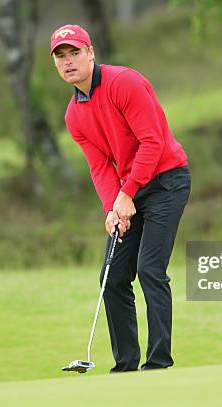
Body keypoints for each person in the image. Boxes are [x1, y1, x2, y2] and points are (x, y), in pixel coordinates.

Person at [51, 24, 191, 372]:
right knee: (112, 277)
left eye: (75, 53)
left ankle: (158, 362)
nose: (69, 62)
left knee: (149, 269)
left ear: (91, 53)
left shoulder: (123, 82)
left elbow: (153, 142)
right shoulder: (73, 115)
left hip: (167, 180)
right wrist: (113, 207)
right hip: (132, 189)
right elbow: (99, 167)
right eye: (61, 57)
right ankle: (125, 366)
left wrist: (126, 194)